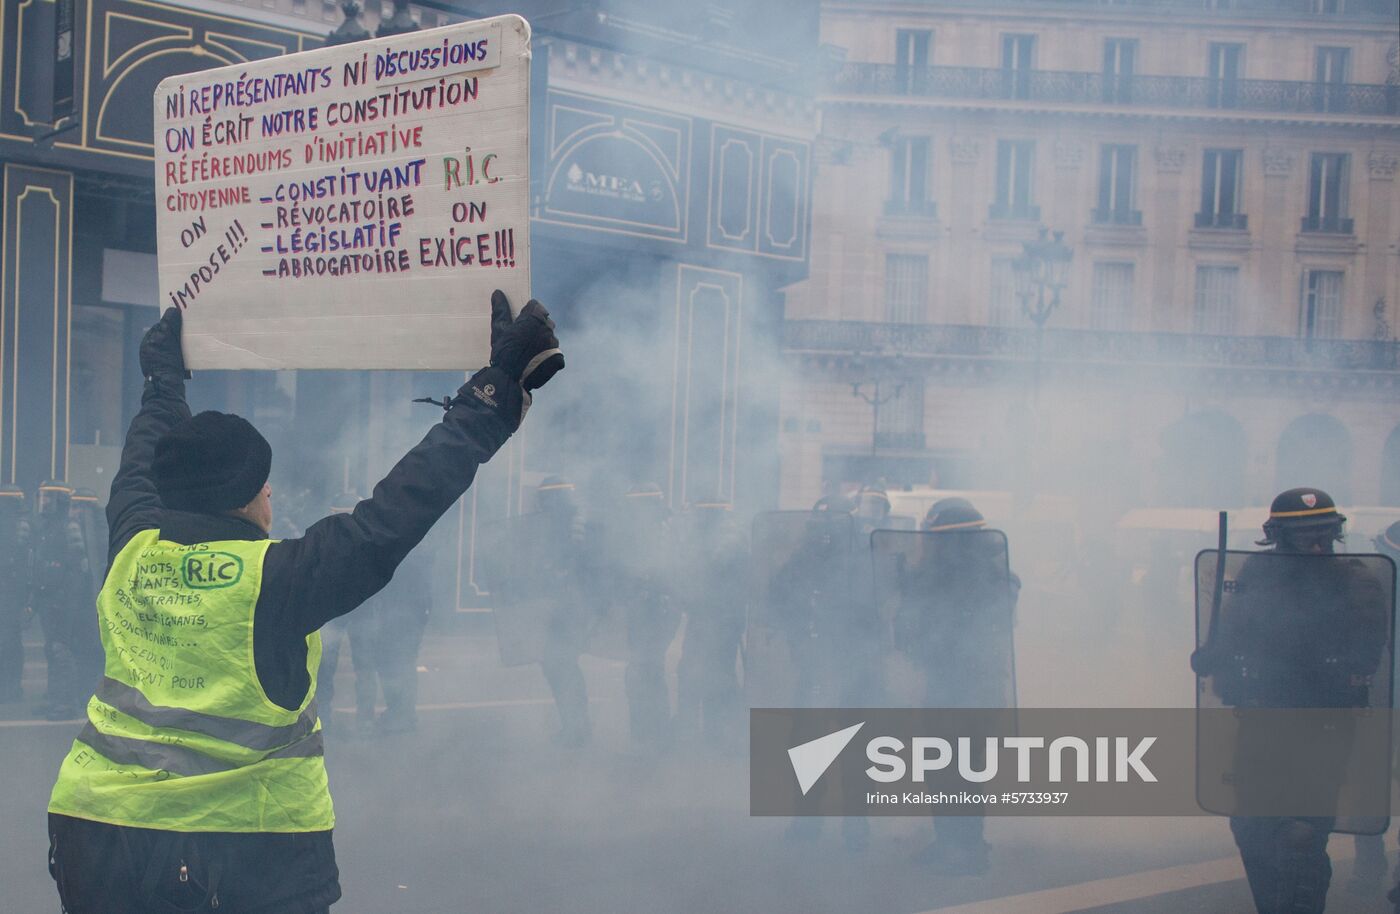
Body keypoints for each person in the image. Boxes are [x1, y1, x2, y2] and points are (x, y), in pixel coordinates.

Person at [46, 292, 563, 913]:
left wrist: (161, 381)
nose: (272, 493)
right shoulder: (276, 578)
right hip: (235, 852)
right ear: (248, 499)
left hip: (94, 832)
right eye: (265, 483)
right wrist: (493, 394)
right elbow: (396, 512)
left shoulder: (131, 546)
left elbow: (141, 459)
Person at [1191, 488, 1388, 914]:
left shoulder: (1356, 582)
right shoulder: (1258, 575)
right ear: (1278, 536)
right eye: (1305, 536)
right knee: (1250, 824)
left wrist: (1315, 664)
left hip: (1324, 723)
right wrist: (1214, 656)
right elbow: (1234, 631)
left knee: (1303, 831)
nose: (1317, 544)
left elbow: (1366, 656)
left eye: (1324, 533)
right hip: (1262, 717)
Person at [891, 497, 1018, 874]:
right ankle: (955, 842)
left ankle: (967, 849)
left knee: (955, 770)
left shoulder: (967, 576)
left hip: (964, 688)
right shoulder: (986, 574)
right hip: (962, 687)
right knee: (951, 768)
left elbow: (935, 626)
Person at [674, 495, 748, 745]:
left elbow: (707, 573)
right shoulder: (725, 535)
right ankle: (712, 732)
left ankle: (718, 732)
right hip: (711, 615)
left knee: (712, 674)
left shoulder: (725, 539)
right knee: (707, 672)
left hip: (718, 617)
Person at [612, 482, 678, 748]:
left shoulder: (663, 532)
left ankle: (652, 731)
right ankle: (648, 730)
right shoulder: (650, 531)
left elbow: (666, 572)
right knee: (646, 669)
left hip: (657, 610)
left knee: (645, 668)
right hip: (648, 609)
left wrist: (645, 590)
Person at [31, 480, 90, 720]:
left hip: (63, 602)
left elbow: (77, 572)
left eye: (48, 498)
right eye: (43, 497)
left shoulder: (69, 527)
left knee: (61, 650)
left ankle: (66, 704)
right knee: (51, 650)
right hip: (50, 599)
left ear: (59, 501)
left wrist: (67, 604)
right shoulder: (48, 527)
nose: (44, 502)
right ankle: (54, 699)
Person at [0, 485, 31, 703]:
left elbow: (22, 566)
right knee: (10, 641)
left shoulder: (20, 527)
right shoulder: (20, 525)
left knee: (10, 641)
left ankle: (11, 687)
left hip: (11, 594)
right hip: (11, 593)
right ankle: (10, 687)